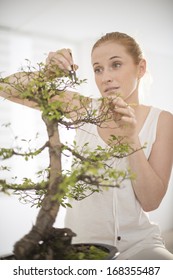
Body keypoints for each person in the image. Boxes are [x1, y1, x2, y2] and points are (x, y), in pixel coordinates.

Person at [0, 32, 173, 259]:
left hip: (140, 244)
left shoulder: (162, 121)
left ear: (140, 68)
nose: (105, 77)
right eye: (98, 69)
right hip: (84, 245)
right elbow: (6, 87)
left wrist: (131, 138)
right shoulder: (83, 109)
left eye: (116, 65)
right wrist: (46, 73)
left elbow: (151, 202)